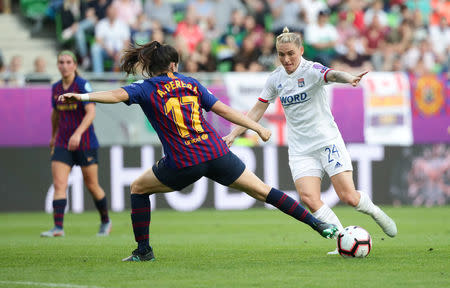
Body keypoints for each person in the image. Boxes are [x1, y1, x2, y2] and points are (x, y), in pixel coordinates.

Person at [58, 41, 338, 262]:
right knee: (263, 191)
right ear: (173, 64)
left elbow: (116, 95)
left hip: (183, 162)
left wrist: (83, 96)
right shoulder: (191, 82)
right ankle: (317, 224)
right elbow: (224, 110)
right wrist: (257, 127)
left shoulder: (145, 88)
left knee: (138, 188)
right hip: (216, 153)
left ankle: (143, 251)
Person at [224, 27, 398, 255]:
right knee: (309, 198)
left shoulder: (312, 70)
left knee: (349, 197)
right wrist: (234, 134)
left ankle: (374, 211)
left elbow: (333, 74)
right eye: (281, 54)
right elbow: (257, 109)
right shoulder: (275, 79)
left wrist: (349, 79)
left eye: (291, 54)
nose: (286, 59)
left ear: (301, 50)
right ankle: (343, 241)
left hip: (327, 141)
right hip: (300, 148)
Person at [41, 50, 111, 237]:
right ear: (57, 65)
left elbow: (91, 112)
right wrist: (53, 136)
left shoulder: (82, 85)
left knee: (92, 185)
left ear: (74, 65)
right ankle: (58, 228)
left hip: (85, 142)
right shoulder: (56, 88)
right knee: (59, 184)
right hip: (63, 142)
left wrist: (78, 134)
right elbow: (55, 114)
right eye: (61, 62)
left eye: (68, 62)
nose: (64, 65)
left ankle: (105, 221)